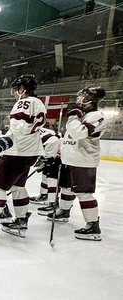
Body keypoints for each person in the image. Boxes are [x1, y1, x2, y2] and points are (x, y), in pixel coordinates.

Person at [0, 74, 46, 239]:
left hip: (18, 153)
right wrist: (2, 143)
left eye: (15, 90)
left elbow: (18, 130)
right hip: (30, 153)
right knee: (18, 187)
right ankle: (20, 221)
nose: (14, 93)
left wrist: (3, 143)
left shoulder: (24, 102)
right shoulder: (39, 103)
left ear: (22, 89)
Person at [47, 86, 107, 241]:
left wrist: (73, 116)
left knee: (84, 193)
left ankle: (93, 225)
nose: (79, 98)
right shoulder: (83, 115)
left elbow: (78, 133)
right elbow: (70, 138)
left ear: (91, 99)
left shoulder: (97, 116)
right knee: (66, 187)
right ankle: (64, 211)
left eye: (82, 95)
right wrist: (61, 150)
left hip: (84, 161)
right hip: (70, 159)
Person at [29, 127, 62, 208]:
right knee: (45, 175)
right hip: (52, 147)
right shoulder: (34, 128)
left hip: (57, 152)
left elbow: (53, 138)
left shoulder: (29, 131)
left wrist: (45, 160)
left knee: (52, 178)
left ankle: (53, 202)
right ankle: (44, 195)